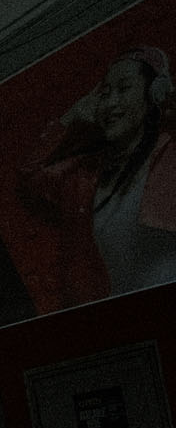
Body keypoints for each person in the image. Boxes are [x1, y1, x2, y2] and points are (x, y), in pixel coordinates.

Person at [22, 46, 176, 301]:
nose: (110, 102)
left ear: (153, 94)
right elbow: (30, 175)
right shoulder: (83, 175)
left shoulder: (169, 155)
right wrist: (70, 118)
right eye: (104, 93)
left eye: (124, 88)